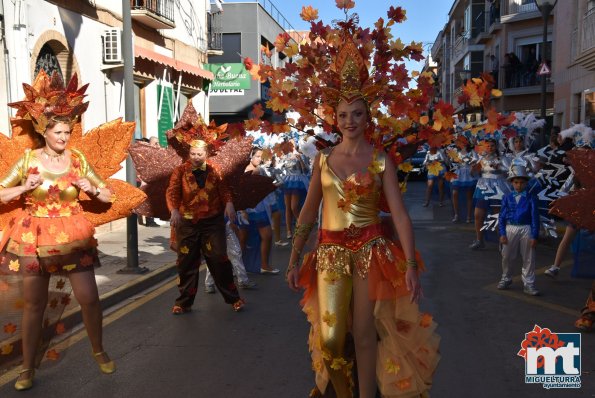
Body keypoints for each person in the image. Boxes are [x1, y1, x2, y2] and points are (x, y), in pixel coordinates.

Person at [286, 39, 439, 397]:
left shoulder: (380, 159)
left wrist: (411, 267)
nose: (349, 121)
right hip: (330, 254)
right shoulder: (322, 159)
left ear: (367, 116)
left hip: (371, 252)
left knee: (367, 333)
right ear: (334, 119)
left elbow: (400, 216)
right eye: (342, 115)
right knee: (330, 337)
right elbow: (308, 212)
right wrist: (294, 258)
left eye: (356, 113)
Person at [0, 72, 116, 390]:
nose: (65, 137)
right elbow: (1, 193)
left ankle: (98, 349)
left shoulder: (77, 160)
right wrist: (25, 185)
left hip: (72, 235)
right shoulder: (27, 160)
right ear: (44, 130)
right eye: (59, 131)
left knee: (89, 298)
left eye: (68, 131)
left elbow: (107, 195)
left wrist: (90, 189)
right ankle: (27, 368)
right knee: (34, 305)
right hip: (35, 236)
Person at [166, 139, 245, 313]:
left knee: (219, 259)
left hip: (212, 221)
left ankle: (234, 298)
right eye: (193, 154)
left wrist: (229, 203)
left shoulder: (214, 169)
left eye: (199, 154)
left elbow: (224, 189)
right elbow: (172, 192)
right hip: (188, 222)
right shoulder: (180, 171)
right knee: (186, 262)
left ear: (206, 154)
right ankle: (183, 302)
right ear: (189, 154)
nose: (196, 157)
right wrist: (173, 211)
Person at [497, 165, 540, 296]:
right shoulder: (507, 197)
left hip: (526, 228)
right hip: (510, 228)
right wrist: (502, 233)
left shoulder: (531, 198)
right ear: (511, 183)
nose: (519, 185)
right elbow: (502, 217)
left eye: (522, 182)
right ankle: (506, 278)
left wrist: (534, 235)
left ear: (526, 183)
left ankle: (529, 283)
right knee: (507, 255)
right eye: (516, 182)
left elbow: (534, 218)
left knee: (529, 257)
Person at [237, 147, 280, 274]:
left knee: (266, 235)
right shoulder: (246, 171)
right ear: (250, 156)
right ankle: (237, 266)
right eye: (257, 156)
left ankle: (264, 265)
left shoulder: (259, 170)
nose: (259, 159)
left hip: (259, 208)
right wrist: (243, 210)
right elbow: (240, 192)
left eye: (261, 157)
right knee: (243, 239)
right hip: (247, 209)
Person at [470, 139, 510, 249]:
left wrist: (500, 167)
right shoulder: (481, 159)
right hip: (483, 187)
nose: (490, 148)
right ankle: (479, 240)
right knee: (478, 215)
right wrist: (473, 169)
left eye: (492, 145)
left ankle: (501, 241)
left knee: (497, 216)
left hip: (498, 188)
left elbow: (509, 173)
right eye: (487, 146)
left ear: (496, 147)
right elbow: (474, 174)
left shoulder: (502, 158)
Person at [280, 148, 309, 239]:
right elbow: (279, 169)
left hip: (297, 181)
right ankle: (289, 230)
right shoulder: (283, 156)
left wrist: (300, 160)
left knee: (294, 207)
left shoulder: (300, 155)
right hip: (287, 180)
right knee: (288, 207)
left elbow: (305, 170)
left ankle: (300, 223)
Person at [449, 142, 478, 223]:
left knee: (469, 196)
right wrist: (451, 157)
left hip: (468, 174)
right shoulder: (456, 151)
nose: (462, 142)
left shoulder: (472, 151)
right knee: (454, 193)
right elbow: (451, 162)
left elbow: (476, 161)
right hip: (458, 173)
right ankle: (456, 214)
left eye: (464, 140)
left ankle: (468, 216)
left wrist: (471, 163)